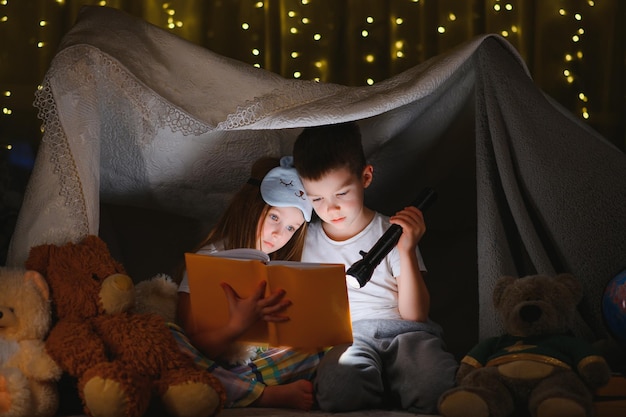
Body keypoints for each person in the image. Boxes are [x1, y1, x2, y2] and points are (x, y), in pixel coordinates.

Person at [292, 122, 458, 414]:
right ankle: (381, 388)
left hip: (406, 333)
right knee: (338, 390)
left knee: (437, 388)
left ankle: (400, 383)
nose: (331, 209)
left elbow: (416, 315)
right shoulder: (306, 242)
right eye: (317, 198)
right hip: (348, 337)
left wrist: (405, 250)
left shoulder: (392, 232)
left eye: (341, 194)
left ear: (365, 177)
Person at [171, 156, 324, 411]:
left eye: (290, 228)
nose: (279, 234)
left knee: (326, 344)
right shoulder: (208, 257)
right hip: (206, 357)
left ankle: (228, 388)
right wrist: (236, 326)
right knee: (168, 338)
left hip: (253, 365)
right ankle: (261, 395)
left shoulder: (281, 270)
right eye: (275, 217)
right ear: (252, 207)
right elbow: (194, 343)